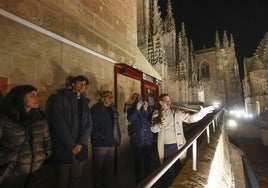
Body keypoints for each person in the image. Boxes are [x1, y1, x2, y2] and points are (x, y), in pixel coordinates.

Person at [151, 93, 214, 187]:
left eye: (169, 100)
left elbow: (190, 119)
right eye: (166, 100)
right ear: (161, 102)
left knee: (179, 168)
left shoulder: (177, 112)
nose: (169, 102)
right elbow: (152, 129)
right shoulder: (157, 114)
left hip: (178, 145)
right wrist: (159, 125)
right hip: (165, 147)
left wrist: (202, 113)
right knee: (165, 171)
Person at [0, 85, 51, 188]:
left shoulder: (40, 119)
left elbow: (46, 140)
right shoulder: (5, 119)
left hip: (36, 171)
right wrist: (8, 158)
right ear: (20, 97)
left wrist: (45, 154)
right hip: (12, 173)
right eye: (32, 95)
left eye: (36, 95)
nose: (37, 98)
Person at [47, 75, 93, 188]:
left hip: (80, 147)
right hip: (65, 147)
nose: (83, 86)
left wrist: (81, 143)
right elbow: (58, 123)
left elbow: (89, 124)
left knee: (76, 177)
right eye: (80, 83)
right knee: (62, 179)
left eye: (85, 84)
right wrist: (72, 145)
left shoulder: (84, 102)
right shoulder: (60, 98)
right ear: (73, 84)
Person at [90, 90, 121, 188]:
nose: (111, 99)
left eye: (111, 96)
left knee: (109, 167)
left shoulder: (113, 109)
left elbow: (116, 125)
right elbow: (92, 125)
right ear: (102, 98)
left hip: (111, 142)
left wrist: (116, 138)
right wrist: (102, 136)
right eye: (108, 96)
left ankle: (107, 185)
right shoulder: (95, 109)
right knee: (98, 168)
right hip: (101, 143)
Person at [127, 94, 154, 184]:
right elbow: (130, 119)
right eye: (135, 99)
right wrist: (137, 109)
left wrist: (146, 109)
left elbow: (150, 119)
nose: (137, 101)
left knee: (148, 161)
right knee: (138, 161)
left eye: (139, 99)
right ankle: (139, 182)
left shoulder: (147, 108)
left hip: (147, 139)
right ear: (133, 100)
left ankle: (149, 180)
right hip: (138, 139)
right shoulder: (131, 109)